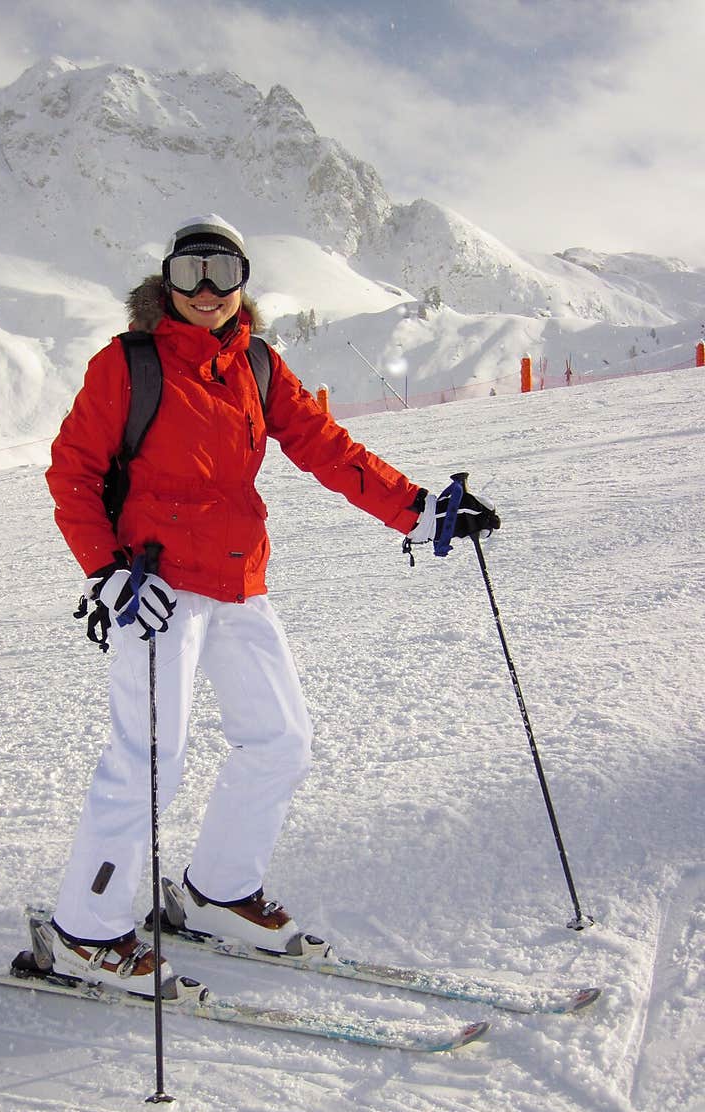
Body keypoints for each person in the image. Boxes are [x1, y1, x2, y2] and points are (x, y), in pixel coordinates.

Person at [42, 214, 499, 998]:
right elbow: (71, 473)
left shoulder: (256, 364)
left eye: (223, 270)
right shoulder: (128, 365)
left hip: (239, 580)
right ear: (167, 279)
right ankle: (87, 930)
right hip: (155, 593)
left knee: (282, 739)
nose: (208, 290)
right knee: (151, 755)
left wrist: (420, 509)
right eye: (190, 272)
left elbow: (328, 446)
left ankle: (218, 889)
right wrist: (107, 572)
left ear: (245, 279)